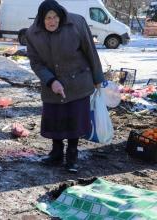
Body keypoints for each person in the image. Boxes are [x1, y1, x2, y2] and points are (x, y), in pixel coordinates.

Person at [25, 0, 105, 173]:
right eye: (48, 18)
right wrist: (51, 81)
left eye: (55, 17)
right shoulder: (33, 33)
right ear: (41, 19)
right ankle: (56, 153)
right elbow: (35, 62)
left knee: (74, 119)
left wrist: (98, 78)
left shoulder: (77, 23)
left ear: (60, 16)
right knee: (55, 119)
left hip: (78, 82)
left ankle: (72, 155)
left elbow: (90, 50)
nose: (52, 21)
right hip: (51, 85)